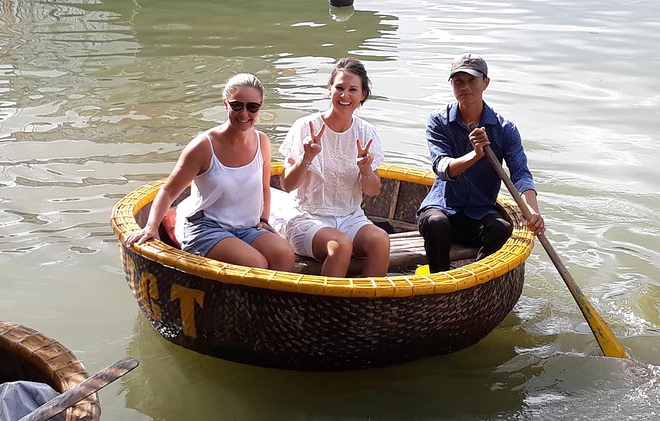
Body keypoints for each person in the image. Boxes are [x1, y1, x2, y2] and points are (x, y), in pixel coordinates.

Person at [125, 73, 295, 272]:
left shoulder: (262, 141)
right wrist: (151, 227)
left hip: (247, 227)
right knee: (255, 264)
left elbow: (265, 188)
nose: (244, 114)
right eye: (236, 105)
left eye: (252, 107)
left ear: (260, 106)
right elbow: (169, 191)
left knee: (285, 253)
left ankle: (270, 303)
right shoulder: (203, 146)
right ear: (225, 104)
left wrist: (264, 220)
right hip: (206, 227)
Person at [417, 53, 544, 273]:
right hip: (442, 208)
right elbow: (442, 168)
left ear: (485, 82)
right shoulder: (439, 121)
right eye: (459, 81)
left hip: (478, 213)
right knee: (436, 224)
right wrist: (476, 155)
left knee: (501, 228)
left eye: (472, 80)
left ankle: (475, 280)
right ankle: (441, 281)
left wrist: (532, 212)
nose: (465, 87)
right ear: (452, 85)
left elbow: (520, 175)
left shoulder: (505, 129)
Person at [279, 57, 390, 277]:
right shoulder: (306, 126)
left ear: (363, 95)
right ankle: (327, 311)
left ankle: (368, 307)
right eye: (339, 88)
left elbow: (373, 191)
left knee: (381, 241)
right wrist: (307, 157)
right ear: (329, 89)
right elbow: (287, 185)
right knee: (340, 246)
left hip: (351, 216)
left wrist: (366, 169)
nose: (345, 95)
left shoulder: (366, 132)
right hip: (308, 216)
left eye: (352, 90)